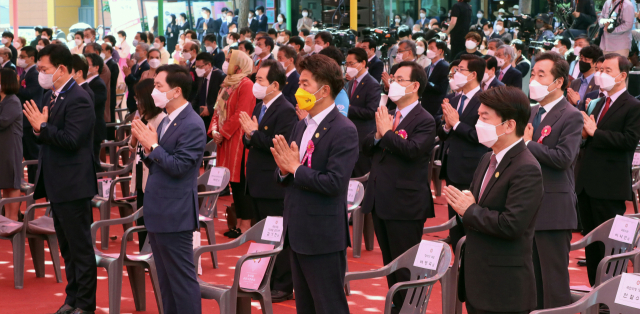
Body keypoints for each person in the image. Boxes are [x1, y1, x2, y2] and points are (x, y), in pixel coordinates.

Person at [271, 53, 358, 314]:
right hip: (297, 231)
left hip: (322, 235)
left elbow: (334, 183)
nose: (299, 90)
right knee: (305, 307)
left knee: (329, 306)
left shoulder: (344, 129)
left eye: (305, 84)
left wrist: (295, 169)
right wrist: (285, 171)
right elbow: (289, 172)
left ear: (325, 90)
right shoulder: (302, 125)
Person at [445, 85, 543, 314]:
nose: (478, 123)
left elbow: (512, 225)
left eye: (484, 117)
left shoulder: (526, 167)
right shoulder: (488, 158)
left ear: (509, 125)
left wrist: (468, 210)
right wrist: (466, 207)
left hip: (503, 287)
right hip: (478, 280)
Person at [22, 44, 98, 314]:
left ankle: (86, 305)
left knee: (80, 248)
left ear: (62, 69)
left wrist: (42, 127)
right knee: (67, 248)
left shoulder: (79, 97)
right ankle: (72, 298)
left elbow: (71, 139)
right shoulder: (51, 95)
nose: (40, 74)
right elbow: (43, 134)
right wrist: (38, 128)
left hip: (73, 183)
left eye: (44, 69)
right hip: (57, 182)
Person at [129, 64, 204, 314]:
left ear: (176, 91)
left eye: (159, 86)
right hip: (159, 211)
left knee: (181, 281)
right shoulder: (166, 121)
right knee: (165, 281)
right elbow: (160, 162)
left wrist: (153, 147)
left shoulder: (192, 123)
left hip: (176, 213)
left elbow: (181, 166)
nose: (154, 92)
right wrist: (148, 147)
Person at [361, 60, 436, 311]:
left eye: (399, 79)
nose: (393, 83)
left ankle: (410, 309)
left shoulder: (424, 119)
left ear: (415, 86)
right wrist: (380, 134)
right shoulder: (389, 114)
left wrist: (387, 134)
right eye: (392, 79)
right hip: (381, 198)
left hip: (405, 204)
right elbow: (367, 147)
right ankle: (396, 306)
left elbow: (413, 151)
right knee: (390, 264)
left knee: (406, 266)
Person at [522, 51, 584, 310]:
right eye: (533, 74)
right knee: (531, 279)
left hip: (554, 209)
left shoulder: (570, 115)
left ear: (558, 82)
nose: (533, 79)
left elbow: (563, 158)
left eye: (541, 75)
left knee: (553, 281)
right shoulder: (532, 111)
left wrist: (526, 143)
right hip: (528, 206)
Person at [575, 53, 640, 286]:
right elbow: (589, 138)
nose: (601, 75)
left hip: (609, 186)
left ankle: (609, 295)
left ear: (622, 75)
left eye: (607, 71)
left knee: (609, 246)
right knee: (591, 244)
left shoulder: (633, 106)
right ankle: (595, 292)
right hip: (586, 184)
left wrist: (595, 133)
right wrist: (585, 136)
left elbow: (628, 141)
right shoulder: (598, 102)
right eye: (600, 69)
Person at [237, 59, 298, 302]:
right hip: (257, 181)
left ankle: (283, 284)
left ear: (274, 84)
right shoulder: (260, 106)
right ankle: (266, 279)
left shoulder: (285, 109)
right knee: (265, 237)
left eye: (260, 80)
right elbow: (250, 139)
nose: (255, 84)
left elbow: (276, 143)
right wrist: (250, 136)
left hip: (275, 183)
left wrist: (254, 134)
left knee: (279, 236)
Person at [438, 54, 489, 248]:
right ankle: (457, 264)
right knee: (454, 224)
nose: (456, 74)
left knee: (468, 219)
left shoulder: (485, 99)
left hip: (470, 167)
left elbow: (480, 136)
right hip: (451, 165)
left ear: (473, 74)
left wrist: (457, 123)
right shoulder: (453, 98)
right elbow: (443, 132)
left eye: (460, 70)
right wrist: (447, 126)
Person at [208, 50, 256, 238]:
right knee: (233, 183)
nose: (226, 63)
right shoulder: (227, 84)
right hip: (224, 140)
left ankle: (246, 225)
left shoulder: (246, 84)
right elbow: (216, 111)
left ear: (239, 64)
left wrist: (223, 132)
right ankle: (239, 222)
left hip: (237, 140)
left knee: (240, 183)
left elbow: (241, 113)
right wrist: (213, 130)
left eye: (229, 60)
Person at [128, 79, 166, 250]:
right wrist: (134, 137)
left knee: (150, 218)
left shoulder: (160, 120)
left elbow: (156, 150)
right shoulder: (142, 116)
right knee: (141, 216)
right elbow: (132, 146)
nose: (136, 102)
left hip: (151, 176)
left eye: (138, 98)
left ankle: (150, 252)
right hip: (139, 172)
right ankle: (143, 250)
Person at [345, 48, 381, 177]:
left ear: (363, 63)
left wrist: (348, 108)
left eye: (352, 64)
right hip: (349, 135)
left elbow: (371, 112)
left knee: (361, 174)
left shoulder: (372, 84)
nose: (348, 67)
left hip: (362, 137)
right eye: (347, 64)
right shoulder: (350, 83)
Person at [16, 46, 43, 183]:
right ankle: (32, 181)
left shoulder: (35, 74)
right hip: (24, 118)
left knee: (33, 153)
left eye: (23, 57)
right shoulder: (25, 73)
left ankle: (36, 182)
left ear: (32, 58)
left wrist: (17, 86)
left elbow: (30, 94)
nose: (20, 59)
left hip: (31, 116)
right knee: (27, 153)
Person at [0, 68, 22, 221]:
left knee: (12, 184)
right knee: (5, 182)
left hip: (10, 146)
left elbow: (2, 122)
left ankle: (12, 218)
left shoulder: (12, 100)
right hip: (3, 146)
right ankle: (6, 219)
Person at [193, 52, 226, 141]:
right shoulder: (201, 75)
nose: (197, 69)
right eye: (196, 67)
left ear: (209, 65)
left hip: (213, 116)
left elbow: (224, 98)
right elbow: (198, 95)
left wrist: (210, 109)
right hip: (201, 115)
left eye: (200, 67)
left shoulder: (220, 76)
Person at [84, 53, 108, 172]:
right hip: (87, 128)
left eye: (87, 65)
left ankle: (98, 189)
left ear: (96, 67)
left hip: (95, 128)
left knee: (93, 163)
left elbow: (92, 104)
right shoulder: (86, 83)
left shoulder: (98, 84)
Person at [422, 39, 450, 116]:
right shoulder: (427, 68)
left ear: (440, 51)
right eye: (428, 48)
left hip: (436, 106)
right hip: (425, 105)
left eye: (431, 48)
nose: (428, 51)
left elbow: (443, 88)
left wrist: (427, 83)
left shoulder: (446, 67)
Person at [100, 42, 119, 140]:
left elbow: (111, 83)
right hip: (106, 95)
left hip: (110, 95)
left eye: (102, 50)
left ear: (108, 51)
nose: (100, 52)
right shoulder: (103, 63)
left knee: (110, 119)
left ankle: (110, 142)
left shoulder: (112, 64)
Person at [124, 43, 150, 113]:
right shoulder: (135, 65)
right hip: (131, 98)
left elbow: (139, 82)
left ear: (144, 52)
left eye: (137, 50)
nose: (135, 53)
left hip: (138, 99)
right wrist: (127, 75)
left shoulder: (146, 66)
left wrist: (129, 75)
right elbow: (129, 82)